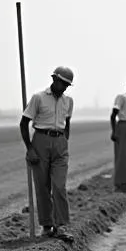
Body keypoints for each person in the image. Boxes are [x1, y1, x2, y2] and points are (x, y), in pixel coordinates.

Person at [20, 66, 75, 239]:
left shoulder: (68, 101)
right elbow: (23, 123)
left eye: (67, 85)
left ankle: (61, 226)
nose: (64, 87)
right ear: (54, 79)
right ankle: (47, 225)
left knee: (59, 186)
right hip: (40, 141)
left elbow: (67, 122)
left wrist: (64, 140)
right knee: (43, 187)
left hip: (60, 144)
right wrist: (30, 149)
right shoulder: (38, 98)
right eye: (62, 83)